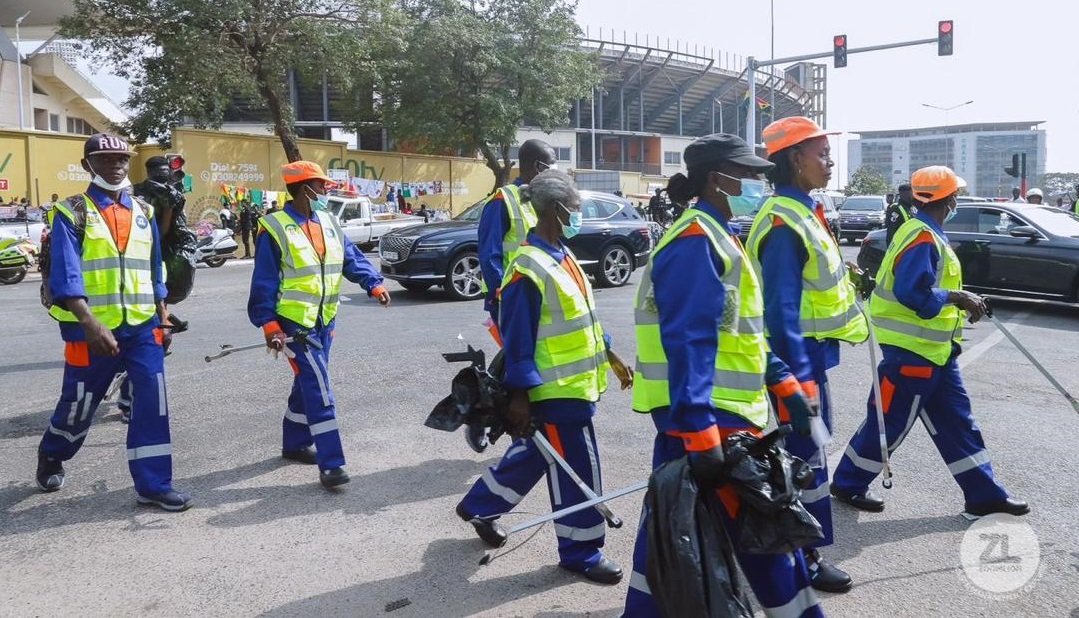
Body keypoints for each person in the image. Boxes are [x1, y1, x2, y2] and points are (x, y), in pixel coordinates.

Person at [623, 134, 822, 617]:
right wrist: (699, 430)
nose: (759, 183)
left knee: (671, 538)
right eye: (749, 174)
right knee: (767, 542)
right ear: (717, 179)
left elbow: (740, 331)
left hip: (719, 417)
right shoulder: (696, 242)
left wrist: (783, 382)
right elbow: (690, 341)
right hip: (711, 420)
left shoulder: (720, 235)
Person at [456, 169, 633, 585]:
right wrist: (520, 395)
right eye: (576, 207)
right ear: (556, 209)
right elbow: (517, 338)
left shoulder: (562, 255)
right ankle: (581, 551)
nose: (579, 214)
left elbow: (583, 318)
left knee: (540, 453)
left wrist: (609, 353)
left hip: (574, 385)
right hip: (554, 389)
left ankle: (479, 505)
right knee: (577, 467)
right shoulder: (528, 267)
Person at [832, 166, 1029, 519]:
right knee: (889, 423)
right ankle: (848, 483)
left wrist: (961, 299)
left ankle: (984, 496)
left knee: (958, 424)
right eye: (956, 194)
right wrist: (957, 297)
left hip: (936, 353)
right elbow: (913, 294)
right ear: (950, 199)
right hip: (911, 354)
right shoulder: (922, 236)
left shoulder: (924, 232)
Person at [34, 133, 191, 511]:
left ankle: (154, 485)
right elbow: (67, 275)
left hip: (142, 327)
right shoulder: (71, 212)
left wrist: (162, 315)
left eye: (121, 159)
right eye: (104, 159)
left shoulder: (144, 211)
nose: (115, 165)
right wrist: (90, 323)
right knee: (79, 404)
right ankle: (53, 452)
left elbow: (153, 269)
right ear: (87, 165)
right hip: (88, 330)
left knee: (151, 402)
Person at [745, 116, 869, 593]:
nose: (830, 161)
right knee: (803, 462)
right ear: (795, 159)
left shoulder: (803, 211)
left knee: (807, 458)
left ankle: (800, 554)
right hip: (798, 363)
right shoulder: (783, 222)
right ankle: (804, 559)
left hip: (812, 357)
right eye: (822, 153)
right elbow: (780, 313)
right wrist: (795, 383)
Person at [248, 161, 391, 490]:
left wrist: (373, 284)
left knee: (307, 383)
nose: (327, 190)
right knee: (320, 388)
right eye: (322, 185)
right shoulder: (274, 228)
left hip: (325, 319)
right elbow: (264, 282)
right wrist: (269, 325)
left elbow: (350, 258)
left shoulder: (328, 221)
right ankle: (332, 464)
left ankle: (295, 443)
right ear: (305, 189)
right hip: (295, 325)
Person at [477, 138, 557, 323]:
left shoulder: (540, 200)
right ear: (538, 167)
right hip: (512, 296)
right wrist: (504, 294)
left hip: (537, 292)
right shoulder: (502, 201)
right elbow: (489, 255)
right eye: (551, 168)